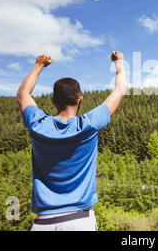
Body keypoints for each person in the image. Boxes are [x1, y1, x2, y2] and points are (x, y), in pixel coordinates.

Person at [17, 51, 127, 231]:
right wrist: (119, 62)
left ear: (53, 101)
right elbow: (120, 90)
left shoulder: (37, 125)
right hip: (80, 220)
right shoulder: (89, 125)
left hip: (42, 222)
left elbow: (23, 93)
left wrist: (39, 66)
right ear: (80, 99)